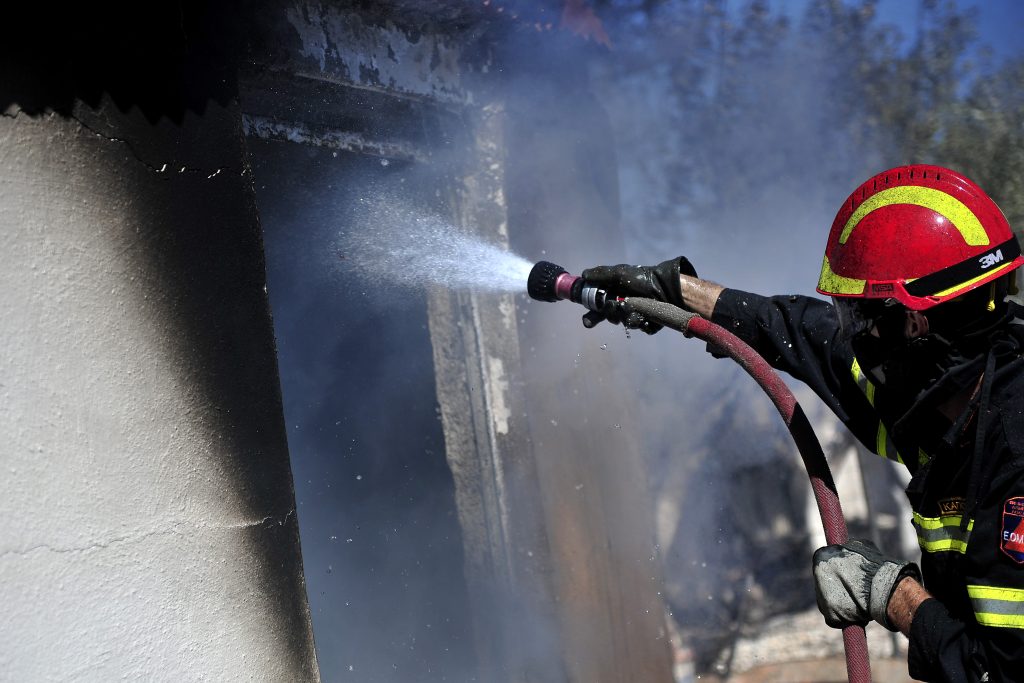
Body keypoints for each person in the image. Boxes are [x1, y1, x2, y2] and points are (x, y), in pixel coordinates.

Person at [581, 165, 1024, 682]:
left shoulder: (1011, 459)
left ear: (913, 323)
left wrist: (892, 593)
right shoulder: (950, 395)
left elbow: (997, 671)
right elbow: (800, 333)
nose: (853, 336)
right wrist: (677, 293)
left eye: (862, 319)